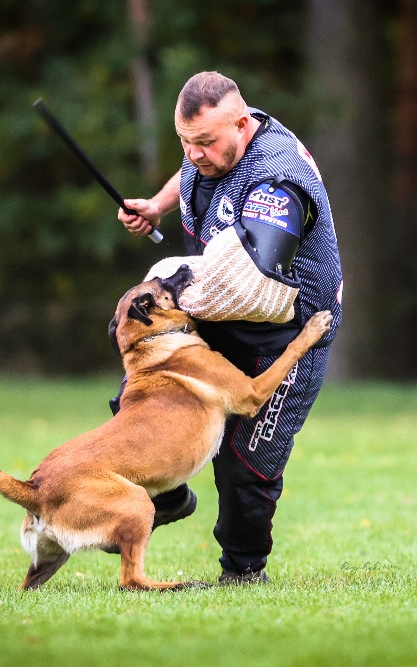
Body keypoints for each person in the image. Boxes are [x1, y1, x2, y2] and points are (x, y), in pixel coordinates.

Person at [117, 71, 343, 585]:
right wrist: (156, 205)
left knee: (246, 463)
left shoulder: (278, 177)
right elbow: (191, 172)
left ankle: (244, 572)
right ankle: (168, 495)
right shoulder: (209, 144)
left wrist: (172, 282)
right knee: (141, 397)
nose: (193, 153)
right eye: (184, 141)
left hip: (287, 325)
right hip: (217, 311)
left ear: (241, 126)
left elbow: (255, 266)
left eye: (204, 142)